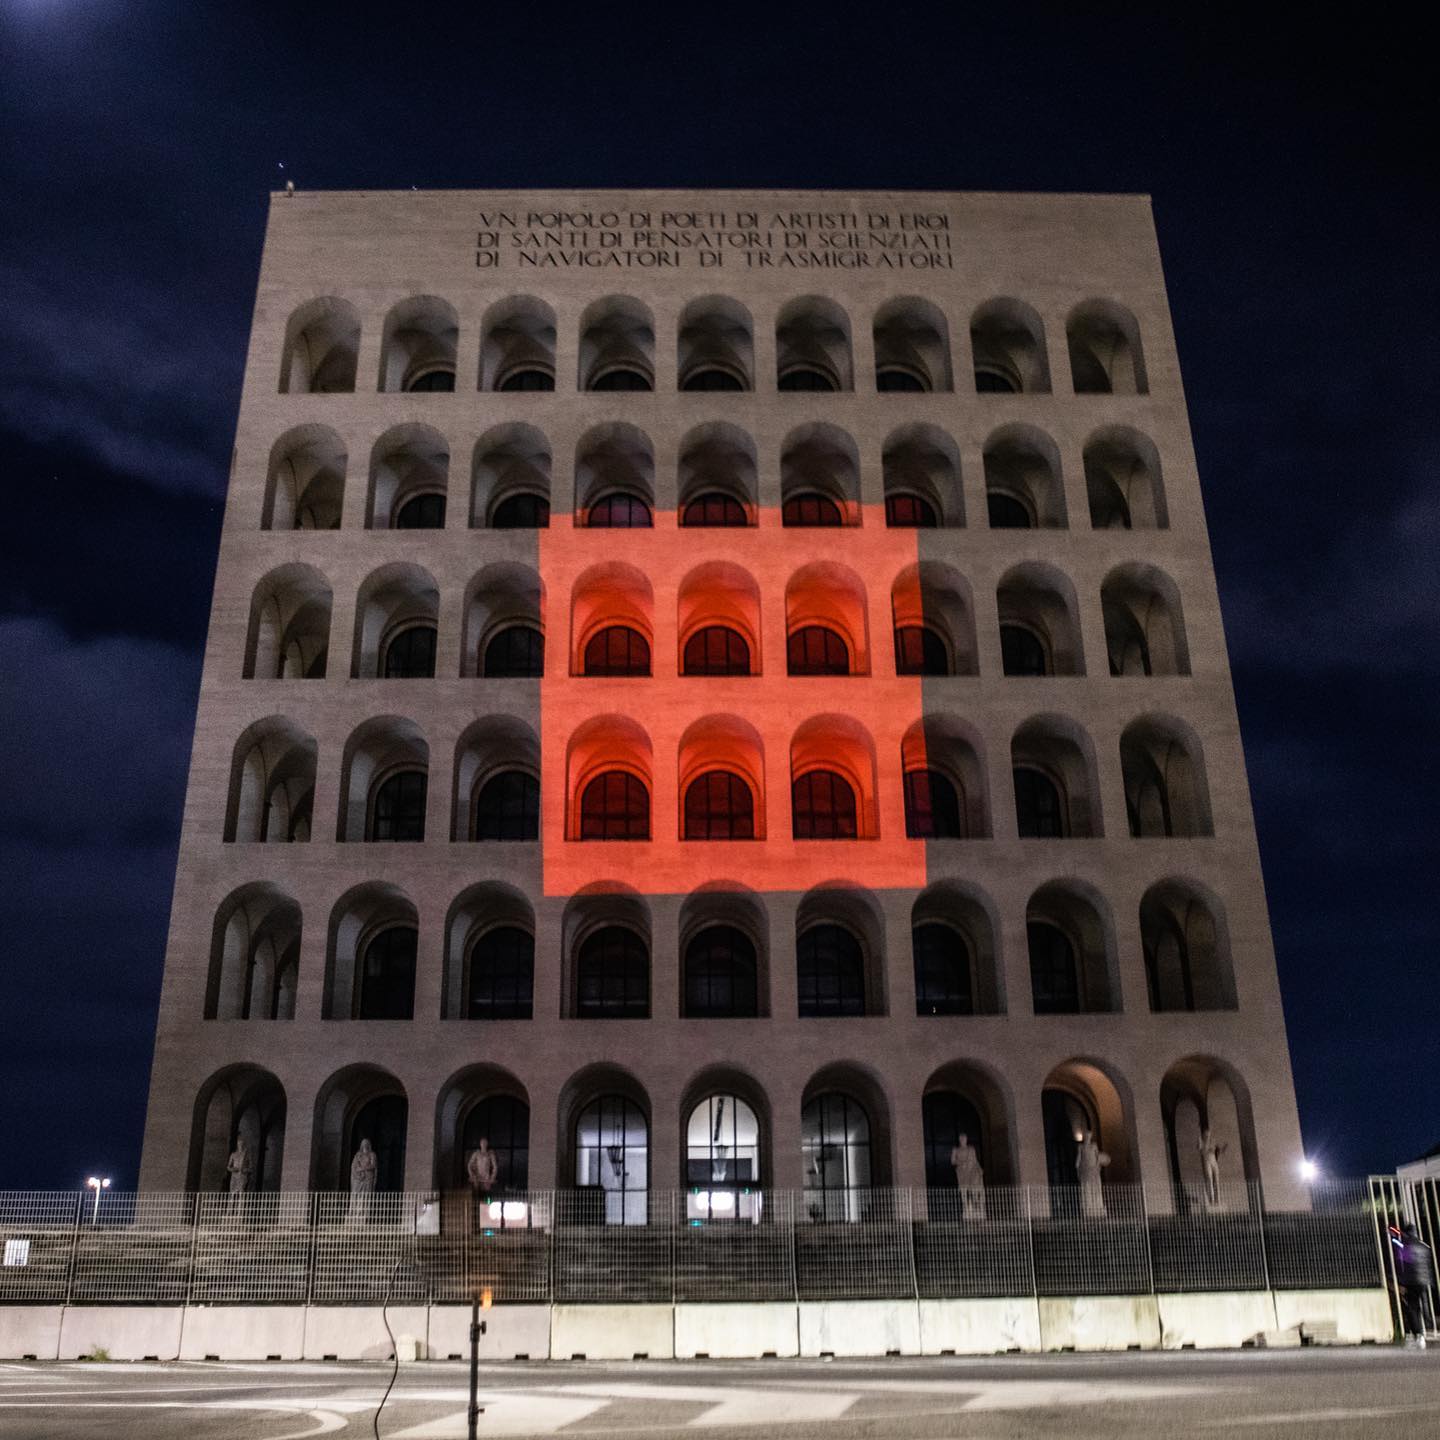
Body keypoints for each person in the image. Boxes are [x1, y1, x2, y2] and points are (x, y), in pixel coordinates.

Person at [1397, 1224, 1434, 1349]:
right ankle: (1423, 1331)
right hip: (1423, 1281)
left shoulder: (1406, 1247)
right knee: (1419, 1307)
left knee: (1411, 1309)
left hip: (1411, 1281)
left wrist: (1402, 1283)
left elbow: (1404, 1267)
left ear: (1406, 1233)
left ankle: (1418, 1336)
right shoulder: (1424, 1246)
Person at [950, 1135, 986, 1221]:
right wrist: (961, 1161)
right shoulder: (956, 1150)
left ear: (966, 1139)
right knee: (964, 1189)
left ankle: (976, 1207)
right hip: (962, 1172)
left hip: (972, 1170)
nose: (963, 1140)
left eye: (964, 1139)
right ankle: (966, 1208)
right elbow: (953, 1161)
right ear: (959, 1140)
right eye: (961, 1139)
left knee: (975, 1188)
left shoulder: (971, 1149)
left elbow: (975, 1160)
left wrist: (979, 1169)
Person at [346, 1138, 378, 1224]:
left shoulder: (372, 1155)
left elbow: (373, 1165)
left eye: (366, 1143)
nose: (365, 1144)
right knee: (356, 1195)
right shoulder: (357, 1155)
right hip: (358, 1179)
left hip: (367, 1179)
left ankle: (363, 1212)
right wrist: (358, 1173)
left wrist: (362, 1168)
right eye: (363, 1143)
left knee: (365, 1196)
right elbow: (353, 1166)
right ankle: (354, 1212)